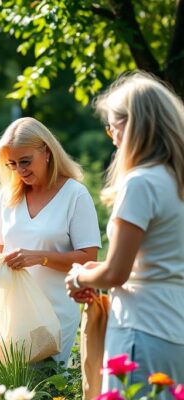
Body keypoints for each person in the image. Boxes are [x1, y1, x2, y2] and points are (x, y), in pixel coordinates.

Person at [66, 72, 184, 397]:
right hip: (175, 324)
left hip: (140, 326)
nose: (112, 136)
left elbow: (117, 273)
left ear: (133, 125)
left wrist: (78, 277)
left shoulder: (140, 183)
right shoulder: (176, 182)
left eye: (113, 126)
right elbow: (150, 260)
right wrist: (96, 272)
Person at [0, 117, 101, 366]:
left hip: (55, 313)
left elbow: (89, 258)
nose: (19, 170)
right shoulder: (9, 194)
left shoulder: (75, 195)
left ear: (47, 152)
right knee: (1, 385)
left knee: (43, 386)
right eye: (12, 164)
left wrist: (40, 256)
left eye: (25, 161)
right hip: (12, 311)